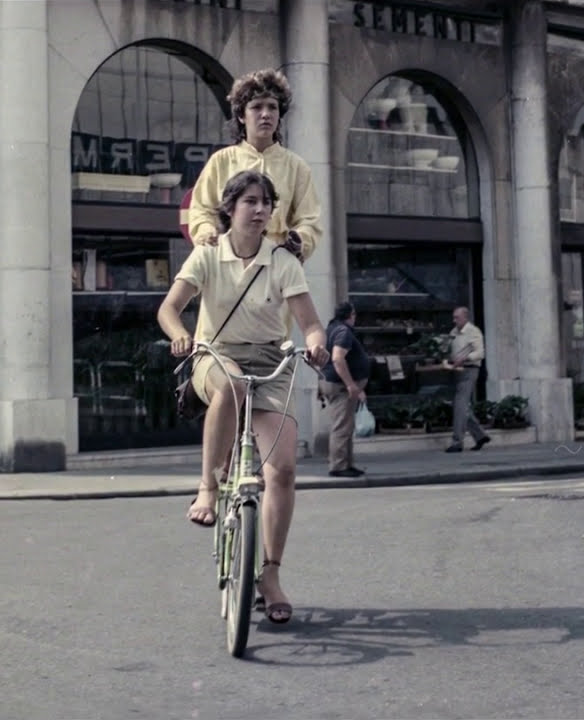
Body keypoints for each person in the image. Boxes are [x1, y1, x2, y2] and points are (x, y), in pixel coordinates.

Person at [158, 169, 329, 625]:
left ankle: (269, 575)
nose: (260, 210)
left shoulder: (283, 261)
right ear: (229, 209)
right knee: (231, 385)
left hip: (270, 359)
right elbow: (169, 309)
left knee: (285, 469)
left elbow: (310, 323)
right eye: (250, 201)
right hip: (214, 355)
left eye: (266, 203)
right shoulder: (208, 254)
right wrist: (180, 336)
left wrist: (315, 342)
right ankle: (208, 490)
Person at [187, 68, 323, 264]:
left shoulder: (296, 167)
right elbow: (201, 210)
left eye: (272, 107)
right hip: (226, 265)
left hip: (278, 266)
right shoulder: (221, 162)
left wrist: (298, 241)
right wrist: (207, 235)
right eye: (257, 107)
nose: (266, 114)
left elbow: (309, 220)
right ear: (242, 116)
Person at [318, 301, 370, 478]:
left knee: (346, 425)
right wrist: (350, 384)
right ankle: (339, 465)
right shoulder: (343, 331)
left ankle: (347, 463)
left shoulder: (331, 329)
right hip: (340, 386)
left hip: (334, 383)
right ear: (350, 315)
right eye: (354, 315)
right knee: (341, 426)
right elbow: (338, 358)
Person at [443, 306, 491, 453]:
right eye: (453, 317)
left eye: (457, 317)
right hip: (456, 371)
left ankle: (457, 442)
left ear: (465, 317)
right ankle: (480, 435)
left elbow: (480, 353)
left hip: (469, 370)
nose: (454, 320)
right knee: (461, 406)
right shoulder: (453, 332)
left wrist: (464, 358)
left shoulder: (473, 331)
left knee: (459, 405)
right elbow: (448, 349)